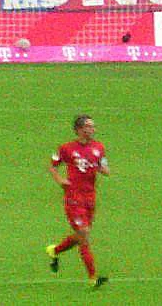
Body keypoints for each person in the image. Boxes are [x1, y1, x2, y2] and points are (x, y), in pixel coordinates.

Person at [46, 114, 109, 289]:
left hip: (90, 197)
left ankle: (54, 250)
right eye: (89, 126)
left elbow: (105, 168)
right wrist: (60, 180)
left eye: (93, 126)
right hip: (73, 197)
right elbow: (53, 165)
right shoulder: (66, 148)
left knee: (81, 235)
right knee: (84, 235)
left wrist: (103, 169)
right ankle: (93, 278)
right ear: (79, 130)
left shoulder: (99, 147)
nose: (93, 129)